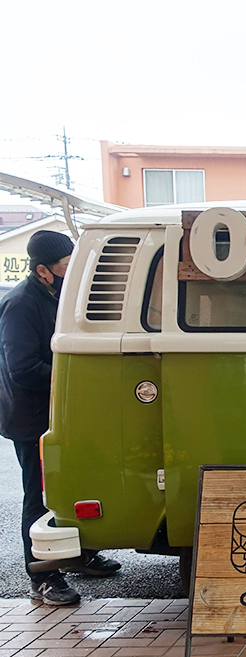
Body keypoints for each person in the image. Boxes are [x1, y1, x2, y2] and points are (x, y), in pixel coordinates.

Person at [0, 230, 121, 606]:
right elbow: (22, 368)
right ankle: (43, 576)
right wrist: (74, 378)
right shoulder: (20, 305)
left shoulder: (56, 295)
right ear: (43, 270)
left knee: (74, 484)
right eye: (67, 267)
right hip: (32, 419)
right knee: (40, 495)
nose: (72, 272)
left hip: (60, 413)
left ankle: (78, 555)